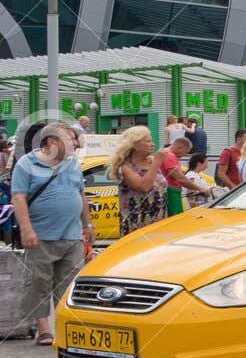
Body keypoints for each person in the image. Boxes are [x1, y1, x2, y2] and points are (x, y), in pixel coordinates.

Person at [10, 123, 92, 346]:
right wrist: (27, 229)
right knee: (39, 280)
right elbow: (18, 198)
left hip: (72, 234)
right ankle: (43, 327)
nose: (74, 143)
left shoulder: (73, 163)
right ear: (51, 142)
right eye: (69, 139)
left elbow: (80, 194)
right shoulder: (27, 163)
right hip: (40, 234)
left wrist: (88, 225)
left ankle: (66, 327)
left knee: (69, 281)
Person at [110, 126, 166, 236]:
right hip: (136, 223)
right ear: (134, 145)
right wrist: (157, 163)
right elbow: (144, 187)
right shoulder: (126, 167)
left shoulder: (151, 162)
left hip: (158, 220)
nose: (152, 144)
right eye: (148, 141)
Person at [159, 135, 206, 217]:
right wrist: (200, 188)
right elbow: (180, 178)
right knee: (175, 220)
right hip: (170, 192)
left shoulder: (167, 153)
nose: (184, 155)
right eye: (185, 152)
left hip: (171, 191)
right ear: (180, 147)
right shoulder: (170, 156)